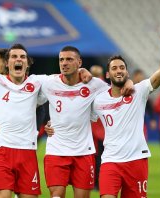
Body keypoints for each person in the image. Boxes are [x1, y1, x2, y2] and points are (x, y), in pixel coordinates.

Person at [0, 22, 91, 198]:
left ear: (27, 63)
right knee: (3, 196)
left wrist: (82, 69)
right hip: (2, 150)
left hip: (27, 152)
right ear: (7, 62)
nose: (18, 59)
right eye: (14, 56)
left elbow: (68, 74)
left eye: (22, 57)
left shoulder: (38, 82)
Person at [42, 46, 134, 198]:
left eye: (69, 59)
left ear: (79, 62)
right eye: (61, 60)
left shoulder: (94, 85)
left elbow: (117, 87)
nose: (64, 63)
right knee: (56, 195)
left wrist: (129, 82)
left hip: (83, 152)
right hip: (56, 151)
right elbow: (25, 94)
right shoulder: (48, 83)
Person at [91, 32, 160, 198]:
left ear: (127, 73)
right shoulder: (98, 100)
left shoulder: (139, 91)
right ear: (108, 75)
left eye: (122, 67)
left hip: (137, 160)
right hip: (110, 161)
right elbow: (80, 115)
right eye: (114, 68)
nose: (119, 70)